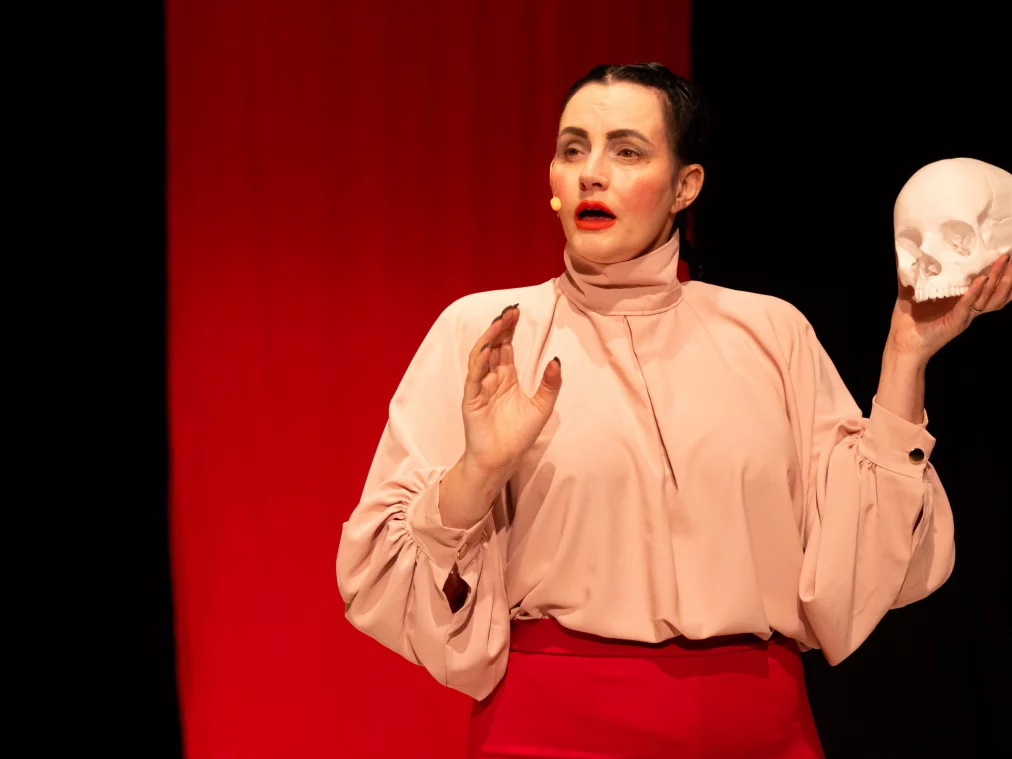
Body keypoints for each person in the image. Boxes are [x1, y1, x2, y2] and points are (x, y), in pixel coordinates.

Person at [337, 62, 1007, 758]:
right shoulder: (488, 332)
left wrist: (905, 357)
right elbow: (383, 569)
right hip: (551, 727)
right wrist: (477, 471)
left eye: (626, 151)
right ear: (553, 184)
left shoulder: (771, 332)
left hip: (756, 727)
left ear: (685, 186)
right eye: (573, 149)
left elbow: (862, 561)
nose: (592, 173)